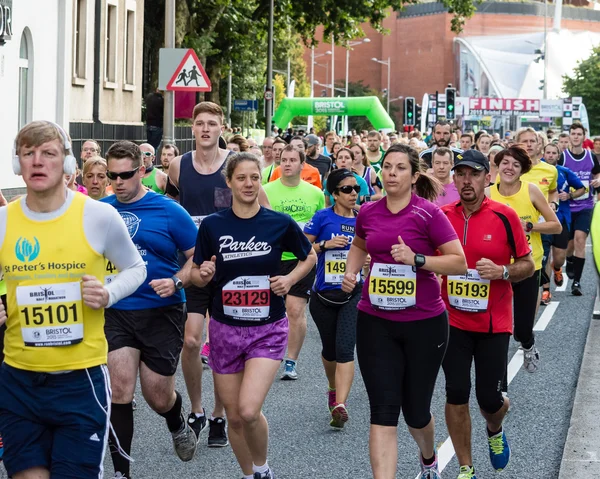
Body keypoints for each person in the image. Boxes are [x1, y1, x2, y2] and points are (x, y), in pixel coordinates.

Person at [0, 120, 146, 479]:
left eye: (48, 153)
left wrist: (108, 293)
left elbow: (136, 268)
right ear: (17, 165)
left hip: (80, 381)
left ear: (66, 164)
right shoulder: (4, 222)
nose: (37, 161)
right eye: (28, 153)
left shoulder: (98, 216)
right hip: (19, 381)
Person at [341, 143, 468, 479]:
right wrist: (351, 272)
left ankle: (428, 457)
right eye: (387, 167)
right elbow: (359, 244)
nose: (392, 173)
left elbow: (458, 262)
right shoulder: (368, 211)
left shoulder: (429, 213)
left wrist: (417, 259)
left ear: (414, 176)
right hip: (375, 320)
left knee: (415, 412)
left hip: (424, 324)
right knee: (383, 410)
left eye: (400, 168)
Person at [191, 153, 316, 479]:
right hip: (224, 329)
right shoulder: (213, 225)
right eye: (242, 178)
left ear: (260, 182)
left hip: (267, 328)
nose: (248, 184)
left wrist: (289, 280)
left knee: (248, 410)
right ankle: (250, 475)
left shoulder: (278, 223)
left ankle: (262, 468)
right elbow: (198, 273)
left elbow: (310, 256)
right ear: (229, 182)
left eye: (254, 178)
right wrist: (204, 272)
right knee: (233, 416)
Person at [167, 102, 271, 448]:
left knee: (224, 345)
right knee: (192, 340)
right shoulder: (178, 166)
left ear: (221, 126)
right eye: (200, 124)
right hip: (196, 266)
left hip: (233, 268)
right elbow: (172, 209)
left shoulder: (233, 165)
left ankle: (218, 415)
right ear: (192, 128)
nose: (206, 129)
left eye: (213, 123)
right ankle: (196, 410)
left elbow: (265, 210)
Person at [102, 141, 200, 476]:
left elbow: (195, 259)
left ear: (142, 170)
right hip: (117, 310)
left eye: (125, 175)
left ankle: (175, 421)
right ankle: (121, 472)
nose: (118, 182)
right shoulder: (100, 211)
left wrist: (177, 281)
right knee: (119, 387)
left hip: (162, 310)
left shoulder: (170, 211)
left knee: (157, 395)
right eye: (112, 176)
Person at [441, 150, 535, 479]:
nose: (467, 181)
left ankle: (494, 430)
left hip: (493, 322)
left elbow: (527, 264)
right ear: (454, 179)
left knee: (490, 399)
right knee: (455, 391)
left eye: (474, 174)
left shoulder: (505, 216)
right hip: (451, 321)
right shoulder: (441, 216)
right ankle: (466, 467)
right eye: (461, 174)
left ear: (487, 178)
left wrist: (503, 272)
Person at [490, 146, 561, 373]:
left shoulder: (531, 191)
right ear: (498, 166)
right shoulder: (489, 193)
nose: (509, 168)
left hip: (528, 264)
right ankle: (498, 382)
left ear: (522, 171)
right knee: (493, 326)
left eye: (516, 165)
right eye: (505, 163)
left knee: (521, 328)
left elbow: (556, 226)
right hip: (496, 265)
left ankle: (528, 345)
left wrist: (530, 226)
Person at [305, 169, 362, 430]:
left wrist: (368, 258)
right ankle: (332, 387)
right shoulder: (322, 218)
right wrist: (325, 245)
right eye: (347, 189)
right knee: (329, 351)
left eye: (356, 189)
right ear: (334, 193)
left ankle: (340, 404)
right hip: (323, 296)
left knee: (345, 349)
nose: (353, 194)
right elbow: (301, 250)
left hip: (353, 294)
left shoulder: (363, 218)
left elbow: (373, 247)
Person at [263, 145, 325, 380]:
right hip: (272, 258)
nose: (287, 163)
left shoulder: (315, 193)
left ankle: (291, 361)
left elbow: (319, 225)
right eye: (284, 160)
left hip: (302, 259)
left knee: (295, 310)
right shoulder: (266, 190)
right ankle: (267, 354)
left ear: (302, 164)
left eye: (292, 160)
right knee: (270, 311)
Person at [558, 122, 600, 295]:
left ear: (584, 137)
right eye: (573, 133)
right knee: (569, 246)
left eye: (579, 134)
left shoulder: (591, 157)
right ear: (569, 136)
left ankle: (577, 282)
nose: (575, 136)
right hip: (567, 207)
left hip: (585, 206)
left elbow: (597, 173)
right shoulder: (563, 157)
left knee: (580, 240)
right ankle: (569, 259)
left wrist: (599, 180)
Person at [540, 143, 585, 303]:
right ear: (543, 153)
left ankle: (557, 268)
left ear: (558, 156)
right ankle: (546, 290)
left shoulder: (565, 172)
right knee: (544, 256)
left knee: (558, 258)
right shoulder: (536, 172)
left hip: (561, 220)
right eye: (548, 152)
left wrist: (570, 196)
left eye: (554, 153)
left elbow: (582, 188)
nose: (551, 155)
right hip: (542, 221)